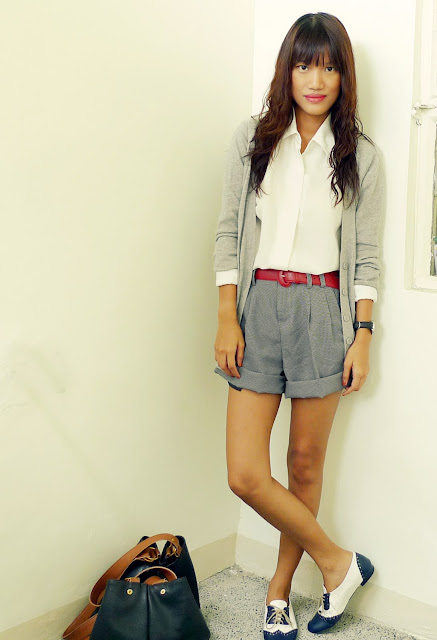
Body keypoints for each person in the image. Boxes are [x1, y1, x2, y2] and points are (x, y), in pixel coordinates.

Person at [212, 12, 384, 638]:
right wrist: (227, 316)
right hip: (258, 307)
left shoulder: (361, 156)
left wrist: (362, 336)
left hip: (323, 313)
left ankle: (279, 593)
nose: (316, 80)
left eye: (329, 67)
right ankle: (339, 563)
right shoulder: (253, 139)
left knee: (304, 466)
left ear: (344, 76)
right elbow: (228, 233)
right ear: (287, 69)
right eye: (305, 64)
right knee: (245, 473)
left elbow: (366, 258)